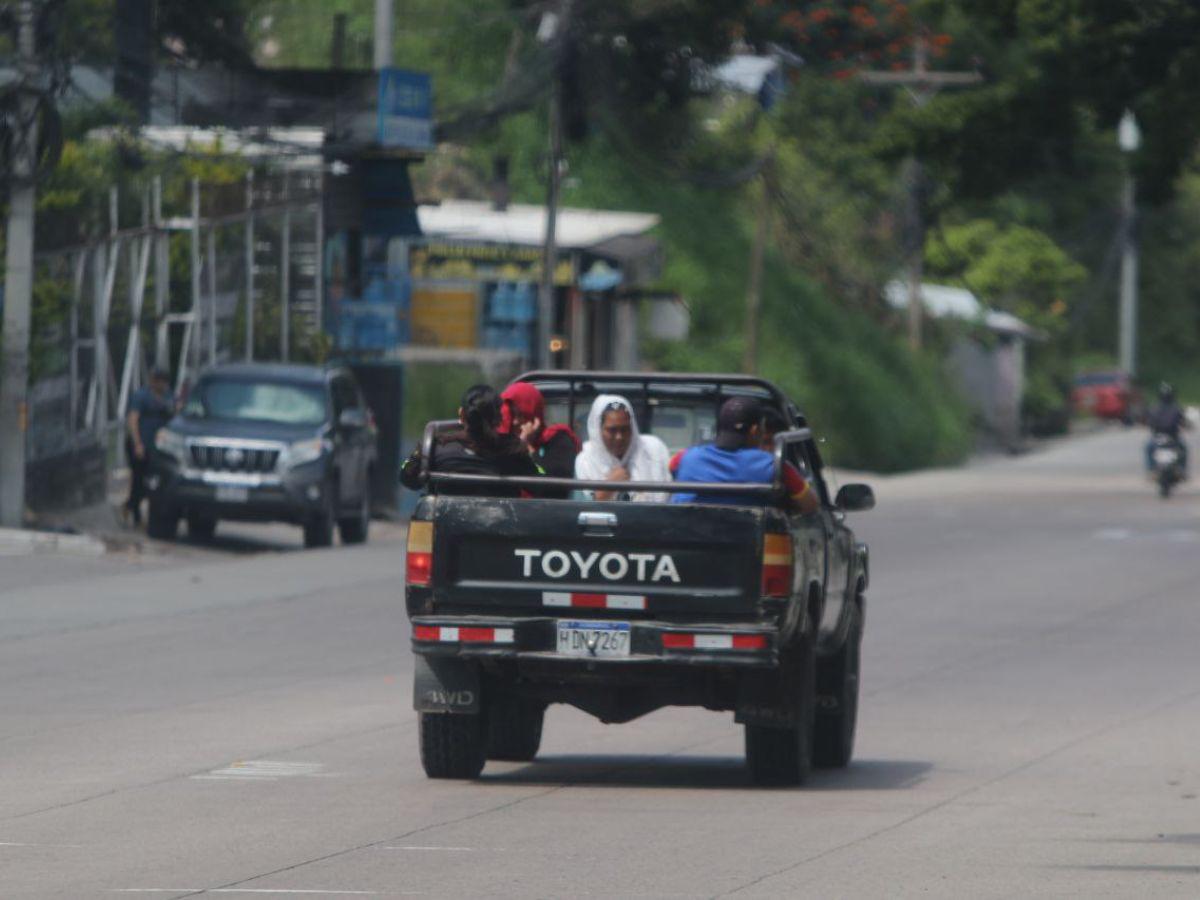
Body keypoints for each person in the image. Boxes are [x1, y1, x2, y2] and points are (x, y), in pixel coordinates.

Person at [672, 396, 819, 514]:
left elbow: (671, 471)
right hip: (748, 546)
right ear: (755, 431)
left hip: (686, 542)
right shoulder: (776, 466)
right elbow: (810, 504)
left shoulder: (683, 458)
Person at [400, 384, 541, 497]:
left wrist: (417, 454)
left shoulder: (436, 447)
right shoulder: (513, 449)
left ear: (462, 414)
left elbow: (406, 477)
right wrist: (530, 449)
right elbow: (543, 486)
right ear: (499, 418)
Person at [575, 394, 672, 502]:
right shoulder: (586, 461)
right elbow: (578, 509)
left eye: (625, 429)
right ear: (598, 430)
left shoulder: (653, 450)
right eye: (612, 430)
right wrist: (608, 488)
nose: (619, 437)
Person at [499, 382, 581, 495]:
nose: (515, 421)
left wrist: (527, 449)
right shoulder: (501, 443)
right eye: (511, 414)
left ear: (534, 414)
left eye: (521, 414)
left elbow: (556, 488)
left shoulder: (558, 439)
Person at [124, 368, 176, 525]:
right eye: (159, 381)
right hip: (140, 444)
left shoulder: (168, 397)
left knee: (152, 481)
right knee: (139, 479)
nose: (163, 385)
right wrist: (137, 443)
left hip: (157, 447)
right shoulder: (142, 396)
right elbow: (133, 420)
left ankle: (130, 507)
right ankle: (135, 513)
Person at [1146, 382, 1191, 473]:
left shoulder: (1155, 408)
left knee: (1149, 448)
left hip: (1160, 437)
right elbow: (1184, 422)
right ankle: (1181, 469)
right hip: (1171, 437)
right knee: (1183, 449)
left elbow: (1148, 421)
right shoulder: (1176, 408)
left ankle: (1151, 469)